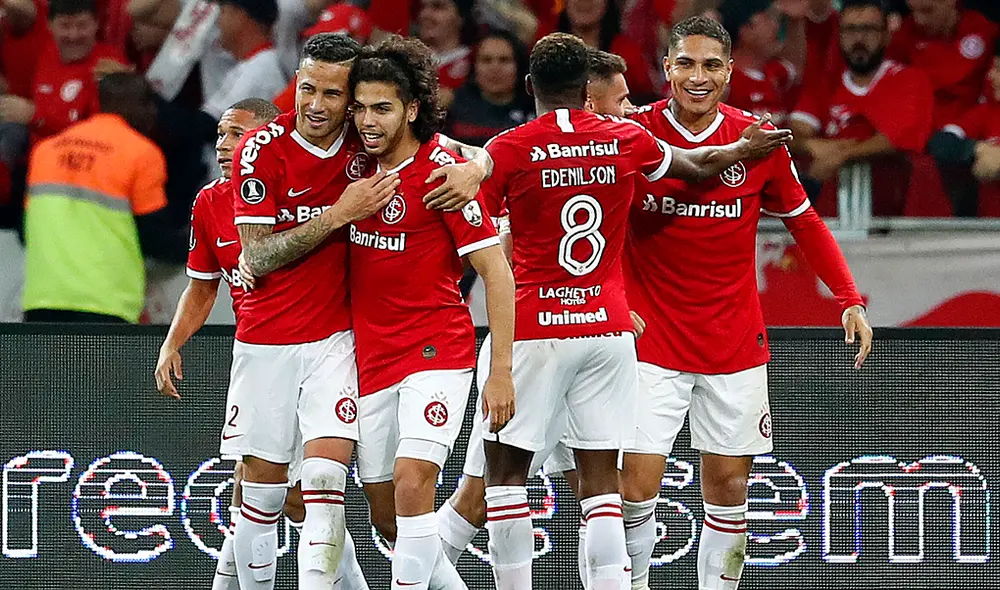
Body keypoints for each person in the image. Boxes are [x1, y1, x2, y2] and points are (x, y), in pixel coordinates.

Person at [476, 32, 792, 590]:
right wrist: (744, 151)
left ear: (530, 87)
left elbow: (478, 239)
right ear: (585, 89)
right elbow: (696, 166)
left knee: (504, 478)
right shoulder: (626, 138)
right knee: (602, 484)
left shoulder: (507, 148)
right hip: (608, 331)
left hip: (536, 329)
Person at [229, 32, 490, 590]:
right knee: (268, 492)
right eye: (307, 90)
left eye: (333, 95)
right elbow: (258, 251)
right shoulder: (263, 148)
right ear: (293, 85)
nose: (317, 106)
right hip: (269, 340)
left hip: (341, 342)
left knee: (327, 479)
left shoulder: (364, 138)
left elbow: (457, 152)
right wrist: (338, 214)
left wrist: (480, 168)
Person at [621, 16, 873, 590]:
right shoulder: (635, 135)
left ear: (731, 71)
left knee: (730, 488)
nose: (698, 76)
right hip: (648, 339)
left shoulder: (756, 141)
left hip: (733, 341)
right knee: (634, 486)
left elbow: (804, 220)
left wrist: (848, 298)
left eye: (712, 65)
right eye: (685, 62)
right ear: (667, 68)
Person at [154, 98, 369, 590]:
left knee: (318, 486)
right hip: (260, 356)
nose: (227, 147)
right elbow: (203, 284)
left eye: (239, 135)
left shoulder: (321, 183)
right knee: (262, 495)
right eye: (223, 136)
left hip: (330, 347)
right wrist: (173, 342)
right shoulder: (210, 202)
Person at [347, 35, 516, 590]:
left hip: (435, 349)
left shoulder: (445, 172)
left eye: (382, 108)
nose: (369, 120)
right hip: (368, 357)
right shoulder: (350, 167)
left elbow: (496, 271)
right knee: (389, 517)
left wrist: (500, 370)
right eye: (361, 107)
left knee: (414, 481)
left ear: (411, 109)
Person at [21, 73, 184, 323]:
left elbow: (26, 231)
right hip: (106, 305)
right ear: (136, 105)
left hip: (42, 300)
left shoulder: (46, 150)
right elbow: (155, 239)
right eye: (149, 104)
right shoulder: (141, 153)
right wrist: (203, 245)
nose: (154, 113)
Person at [788, 0, 934, 217]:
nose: (858, 38)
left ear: (886, 35)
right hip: (832, 217)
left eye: (868, 29)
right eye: (850, 30)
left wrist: (840, 156)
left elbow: (897, 138)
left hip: (896, 218)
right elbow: (794, 132)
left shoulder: (909, 80)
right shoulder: (826, 84)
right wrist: (812, 146)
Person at [929, 45, 1000, 217]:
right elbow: (940, 142)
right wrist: (977, 149)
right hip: (988, 236)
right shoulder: (987, 113)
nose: (991, 76)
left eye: (998, 69)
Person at [446, 29, 534, 147]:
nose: (495, 68)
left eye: (504, 60)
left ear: (519, 66)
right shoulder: (450, 106)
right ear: (474, 66)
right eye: (486, 60)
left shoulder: (536, 109)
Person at [202, 0, 288, 120]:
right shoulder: (254, 63)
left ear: (240, 16)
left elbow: (209, 127)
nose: (218, 21)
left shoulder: (262, 68)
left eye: (223, 12)